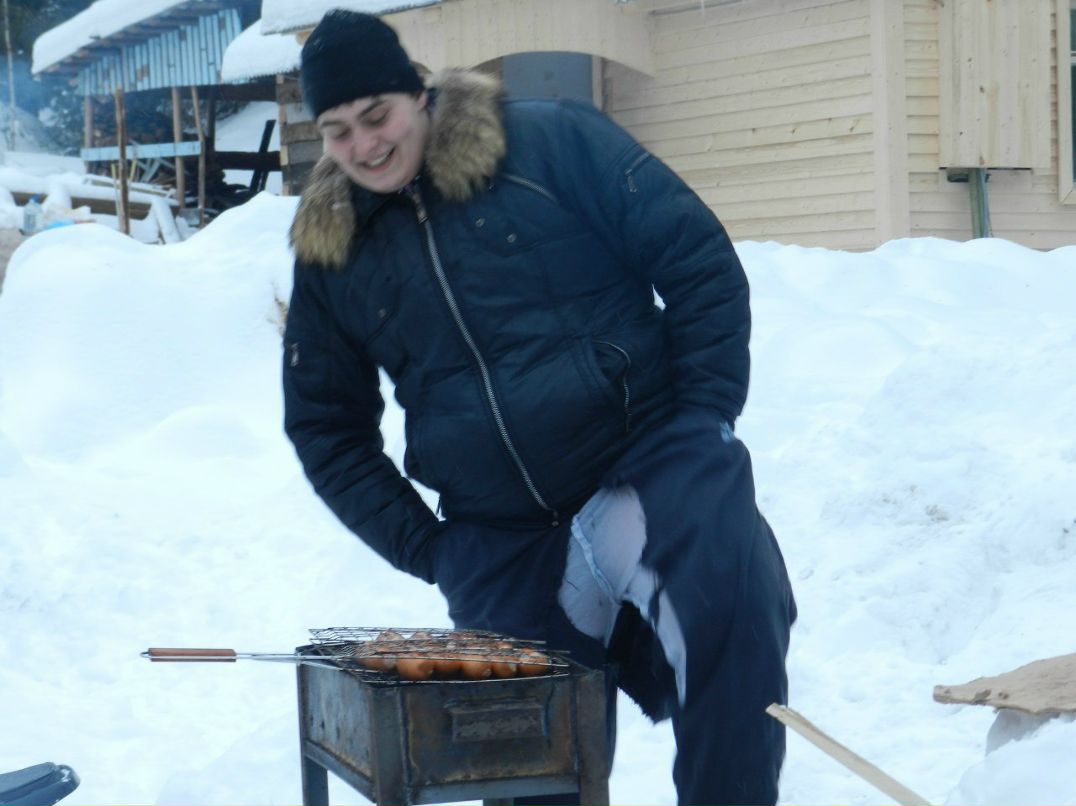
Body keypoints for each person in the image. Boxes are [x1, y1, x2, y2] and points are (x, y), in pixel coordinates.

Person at [282, 9, 797, 805]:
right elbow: (326, 428)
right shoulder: (333, 252)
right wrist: (432, 548)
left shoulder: (554, 142)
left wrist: (703, 420)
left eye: (375, 115)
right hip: (501, 533)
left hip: (644, 464)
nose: (364, 146)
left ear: (418, 95)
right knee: (521, 758)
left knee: (730, 615)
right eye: (338, 130)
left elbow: (696, 260)